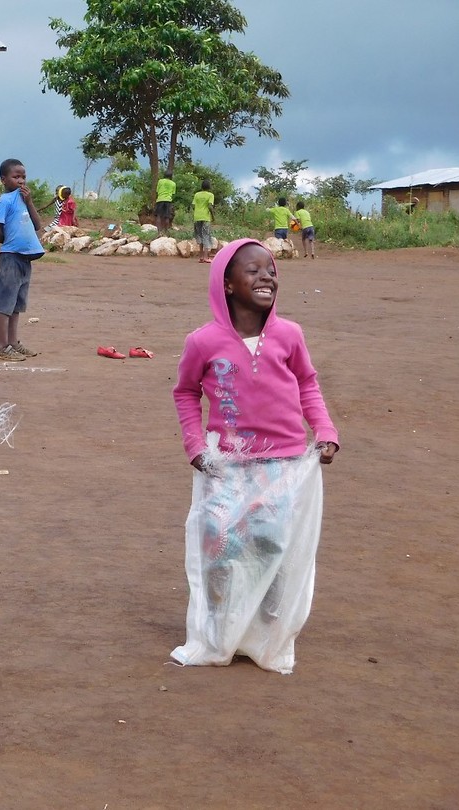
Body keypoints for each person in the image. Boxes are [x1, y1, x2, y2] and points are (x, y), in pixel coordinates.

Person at [171, 238, 340, 673]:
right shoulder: (203, 342)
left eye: (271, 269)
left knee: (271, 542)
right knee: (219, 542)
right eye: (253, 270)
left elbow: (307, 384)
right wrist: (194, 445)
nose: (267, 276)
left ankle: (265, 634)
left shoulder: (289, 335)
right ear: (226, 284)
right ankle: (218, 630)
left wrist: (324, 430)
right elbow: (187, 393)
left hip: (283, 464)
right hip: (225, 464)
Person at [0, 158, 44, 361]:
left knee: (16, 305)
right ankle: (1, 347)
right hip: (10, 258)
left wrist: (29, 202)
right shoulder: (5, 200)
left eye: (23, 177)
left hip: (25, 259)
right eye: (16, 177)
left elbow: (37, 225)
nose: (21, 181)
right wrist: (10, 242)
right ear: (4, 179)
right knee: (5, 304)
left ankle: (13, 343)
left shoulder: (23, 200)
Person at [193, 179, 216, 263]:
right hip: (205, 217)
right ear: (209, 187)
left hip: (197, 217)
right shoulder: (210, 195)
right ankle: (206, 257)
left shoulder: (197, 194)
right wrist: (213, 216)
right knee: (206, 236)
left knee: (200, 236)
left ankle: (201, 257)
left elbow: (193, 205)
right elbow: (210, 206)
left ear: (201, 187)